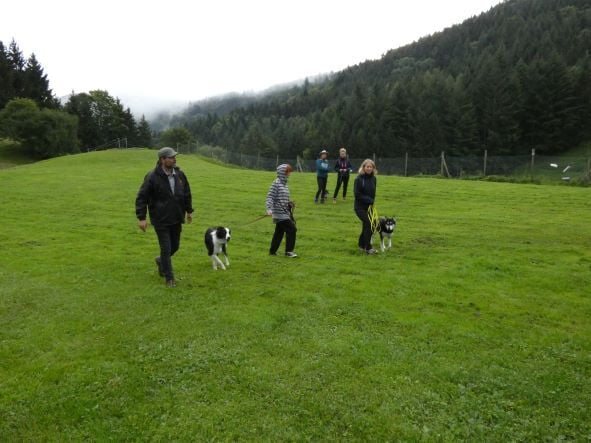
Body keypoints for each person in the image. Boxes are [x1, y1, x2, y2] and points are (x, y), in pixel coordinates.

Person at [135, 147, 194, 287]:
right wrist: (141, 218)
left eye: (174, 157)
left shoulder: (180, 174)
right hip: (160, 219)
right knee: (166, 248)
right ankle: (169, 278)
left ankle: (161, 260)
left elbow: (186, 193)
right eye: (171, 157)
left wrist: (189, 210)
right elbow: (141, 197)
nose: (174, 159)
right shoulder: (152, 177)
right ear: (162, 160)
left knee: (175, 246)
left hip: (176, 217)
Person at [266, 163, 298, 257]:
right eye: (288, 172)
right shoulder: (276, 183)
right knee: (292, 229)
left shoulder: (285, 185)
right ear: (282, 172)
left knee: (279, 232)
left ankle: (272, 251)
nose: (290, 173)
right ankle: (289, 252)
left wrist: (289, 203)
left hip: (284, 212)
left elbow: (283, 198)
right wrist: (269, 209)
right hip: (279, 213)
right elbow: (270, 197)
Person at [353, 159, 378, 254]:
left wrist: (372, 203)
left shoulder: (374, 179)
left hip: (369, 207)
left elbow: (373, 193)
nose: (369, 168)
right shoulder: (358, 179)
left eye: (371, 167)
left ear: (373, 168)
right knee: (369, 224)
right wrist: (369, 200)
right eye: (367, 167)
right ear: (363, 167)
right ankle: (368, 247)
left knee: (372, 224)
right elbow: (357, 194)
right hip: (359, 207)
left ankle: (361, 244)